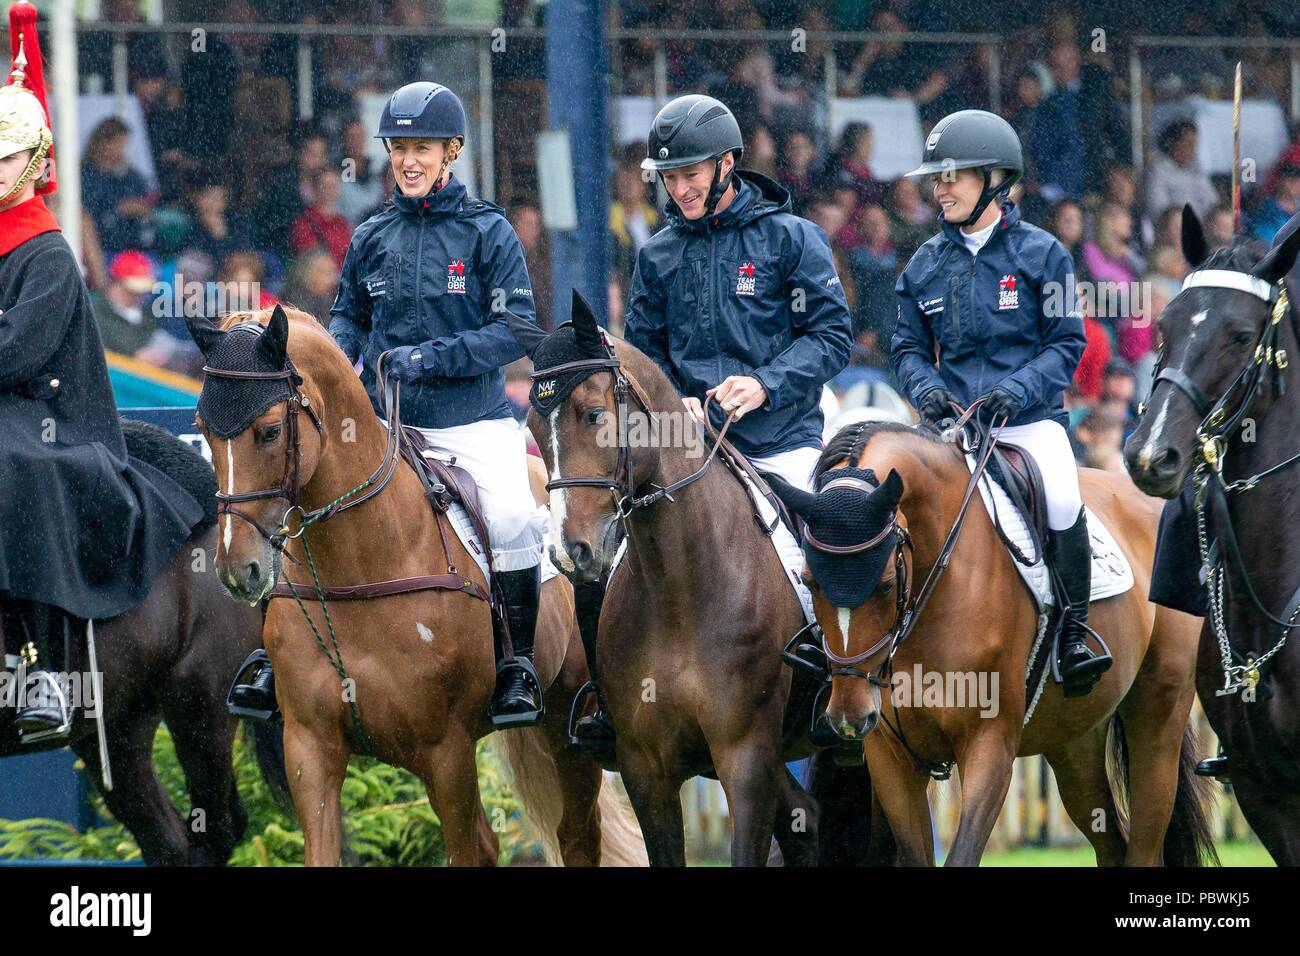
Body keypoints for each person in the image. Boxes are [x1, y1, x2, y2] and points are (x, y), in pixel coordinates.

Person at [241, 81, 547, 729]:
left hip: (472, 420)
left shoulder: (488, 232)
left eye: (423, 148)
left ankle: (515, 664)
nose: (409, 160)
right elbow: (348, 318)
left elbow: (514, 330)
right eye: (400, 147)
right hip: (384, 422)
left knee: (518, 517)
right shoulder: (372, 233)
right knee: (299, 495)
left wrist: (434, 357)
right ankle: (273, 658)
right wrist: (336, 363)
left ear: (452, 151)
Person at [570, 93, 853, 755]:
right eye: (669, 176)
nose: (680, 187)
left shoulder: (792, 238)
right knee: (610, 554)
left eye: (692, 172)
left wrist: (765, 383)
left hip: (777, 438)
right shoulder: (659, 254)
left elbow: (831, 336)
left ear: (727, 163)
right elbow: (641, 356)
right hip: (683, 442)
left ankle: (839, 687)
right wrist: (677, 400)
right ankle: (604, 697)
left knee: (816, 552)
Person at [0, 3, 203, 738]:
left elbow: (17, 351)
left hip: (51, 417)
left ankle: (42, 671)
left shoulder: (47, 251)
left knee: (11, 463)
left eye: (6, 158)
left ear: (34, 162)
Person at [891, 108, 1112, 697]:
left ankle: (1073, 634)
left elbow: (1068, 342)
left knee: (1063, 498)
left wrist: (1015, 391)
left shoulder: (1045, 255)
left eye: (952, 176)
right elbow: (907, 348)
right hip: (952, 430)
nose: (939, 189)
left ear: (994, 179)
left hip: (1027, 424)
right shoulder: (923, 265)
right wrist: (926, 390)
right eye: (936, 179)